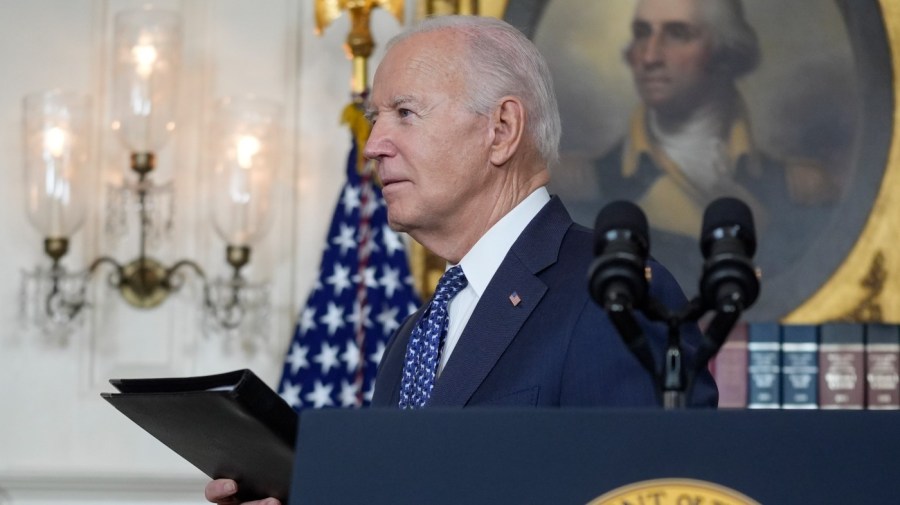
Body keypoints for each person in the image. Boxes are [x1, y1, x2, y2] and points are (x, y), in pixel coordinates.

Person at [206, 14, 717, 505]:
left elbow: (653, 490)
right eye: (374, 118)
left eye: (404, 113)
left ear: (501, 129)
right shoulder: (413, 337)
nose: (374, 146)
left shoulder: (612, 293)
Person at [594, 0, 838, 292]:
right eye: (642, 32)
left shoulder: (799, 188)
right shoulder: (589, 183)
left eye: (677, 33)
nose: (649, 56)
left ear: (725, 52)